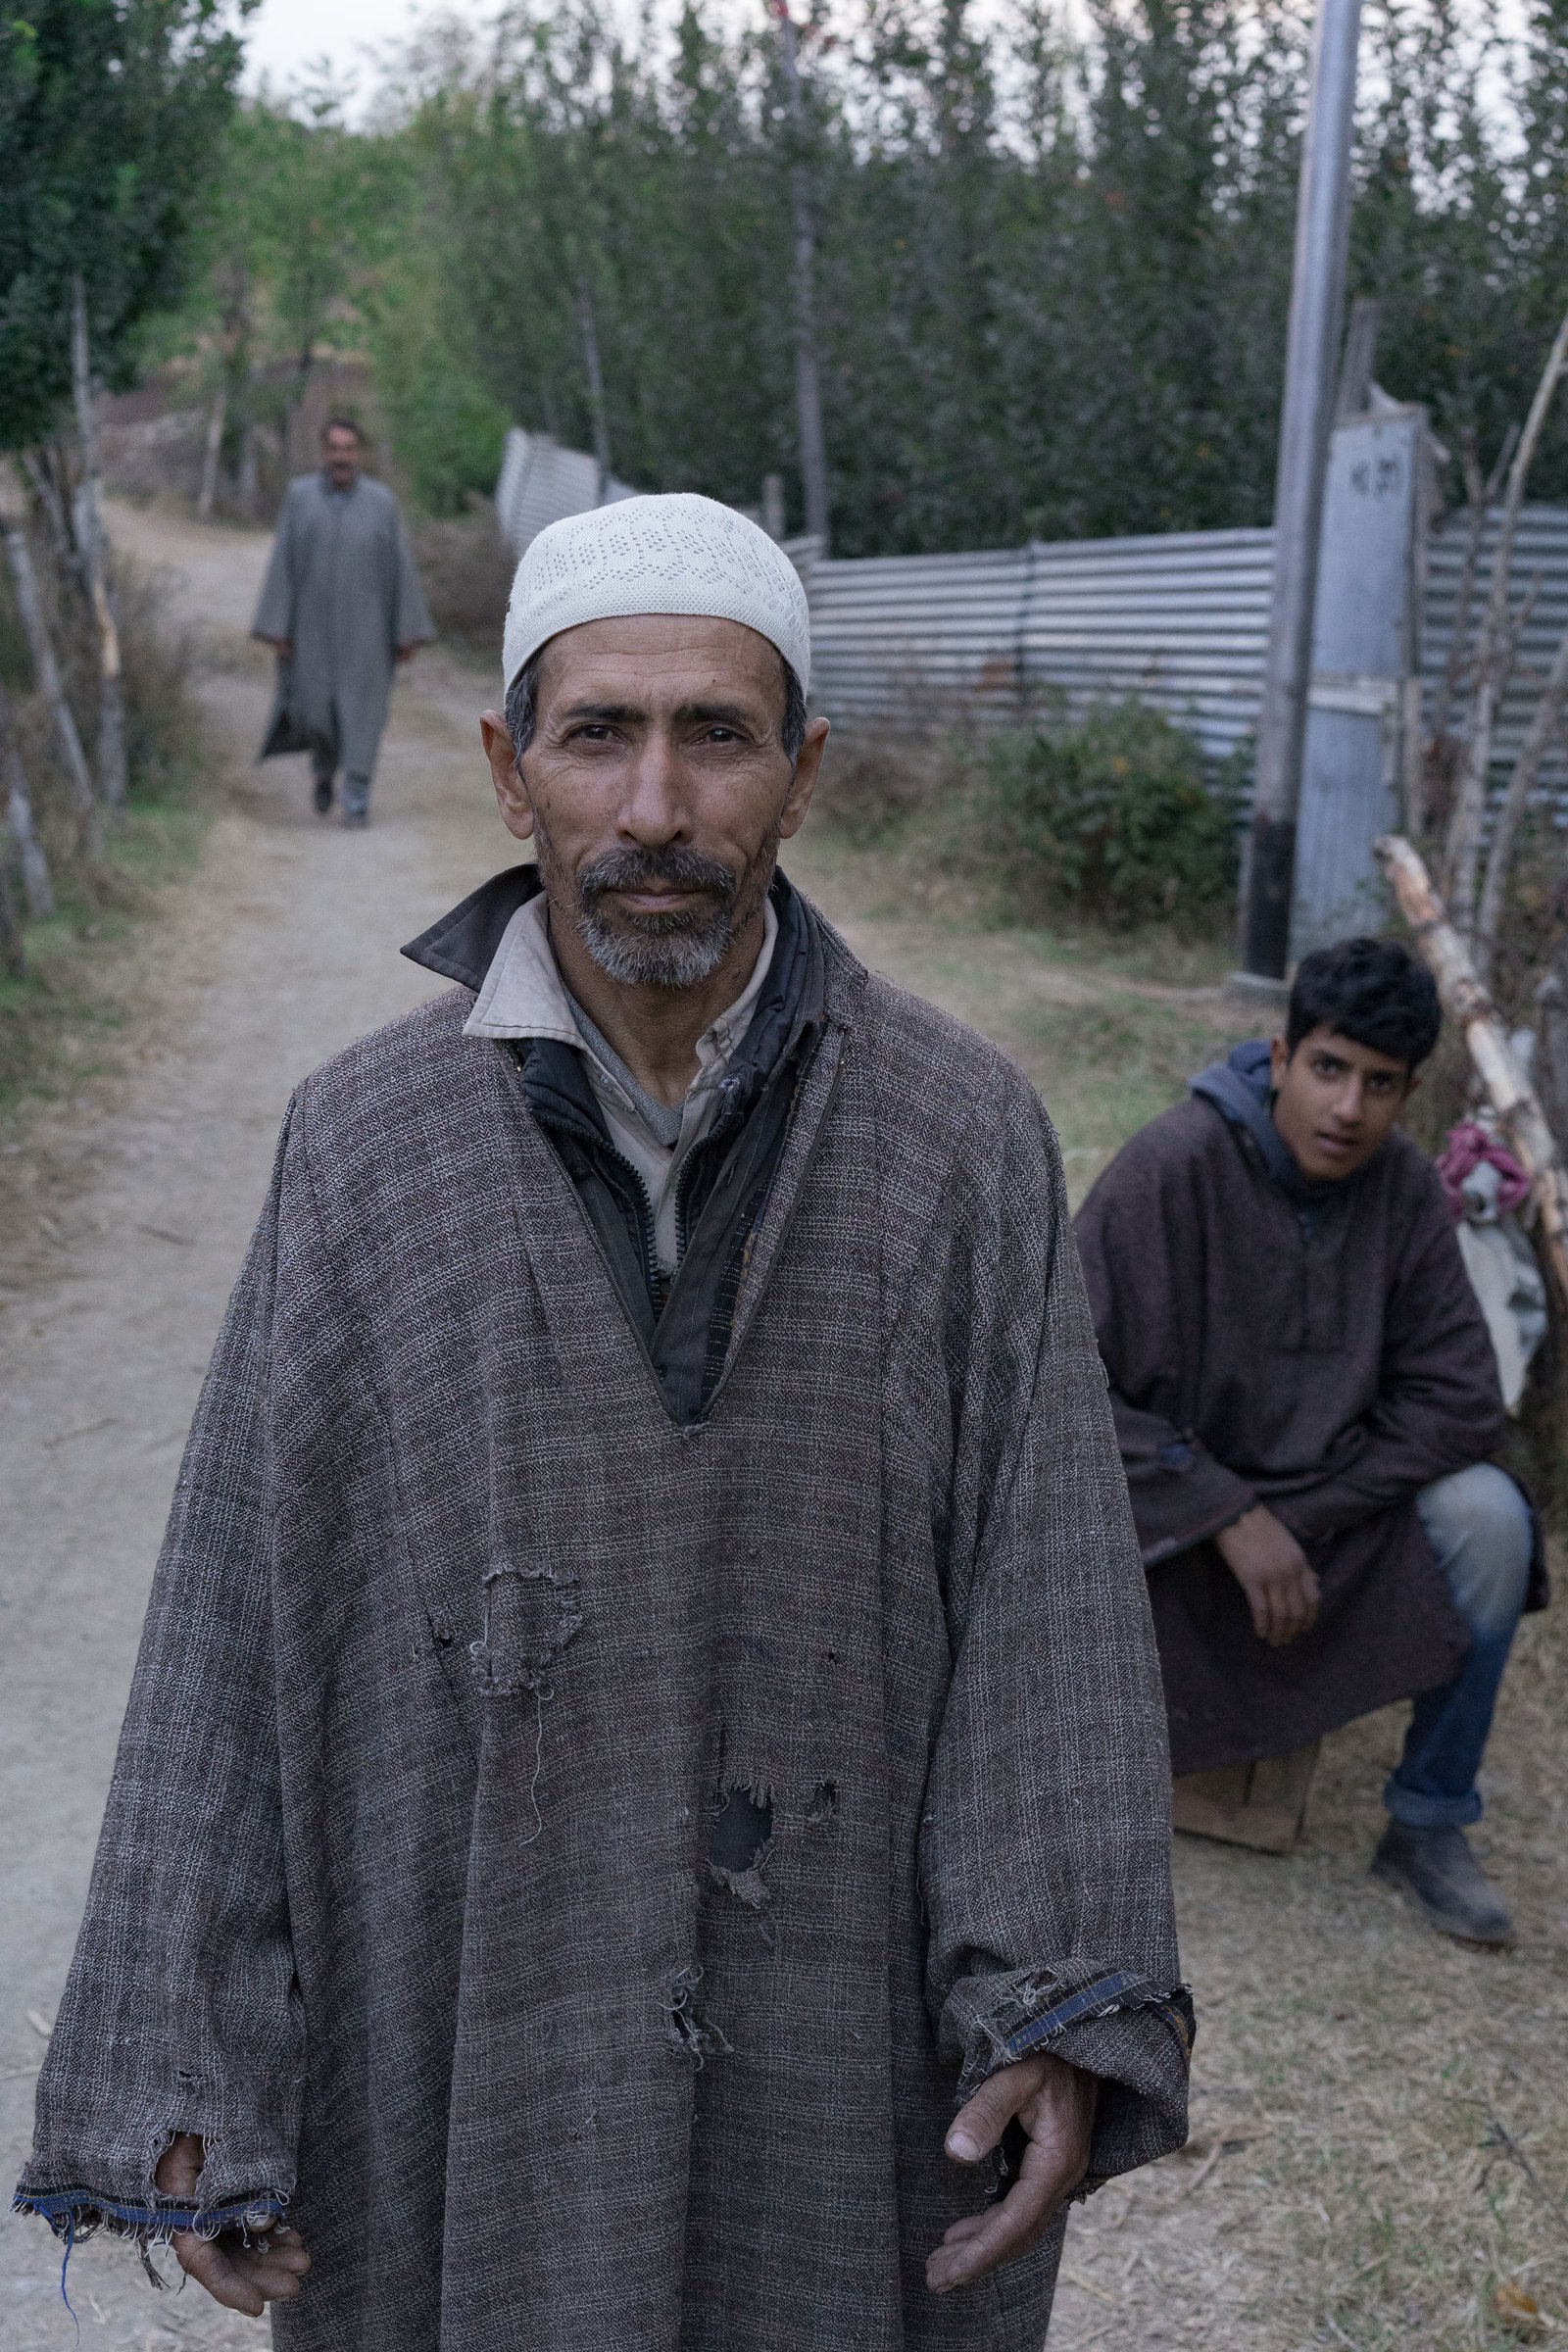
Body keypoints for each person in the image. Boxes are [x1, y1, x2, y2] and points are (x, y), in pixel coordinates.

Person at [17, 495, 1191, 2350]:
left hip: (832, 2020)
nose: (655, 808)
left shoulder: (961, 1143)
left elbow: (1048, 1609)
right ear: (511, 774)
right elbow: (240, 1608)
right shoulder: (365, 1148)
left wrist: (1055, 1996)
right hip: (460, 2018)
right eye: (598, 737)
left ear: (803, 775)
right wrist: (194, 2049)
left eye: (716, 736)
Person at [1074, 936, 1542, 1949]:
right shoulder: (1174, 1165)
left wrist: (1297, 1513)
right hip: (1173, 1527)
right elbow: (1056, 1383)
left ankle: (1428, 1819)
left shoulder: (1404, 1188)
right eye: (1328, 1069)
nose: (1347, 1108)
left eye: (1380, 1084)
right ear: (1280, 1057)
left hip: (1325, 1521)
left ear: (1408, 1093)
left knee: (1492, 1519)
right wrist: (1225, 1511)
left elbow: (1461, 1400)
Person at [252, 416, 432, 827]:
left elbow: (400, 568)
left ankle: (356, 795)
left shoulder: (381, 503)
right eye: (334, 449)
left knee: (363, 715)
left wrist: (406, 632)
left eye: (349, 449)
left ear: (359, 453)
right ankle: (323, 769)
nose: (341, 457)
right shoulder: (300, 497)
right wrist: (278, 627)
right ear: (323, 452)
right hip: (309, 631)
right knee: (314, 712)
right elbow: (283, 562)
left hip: (368, 632)